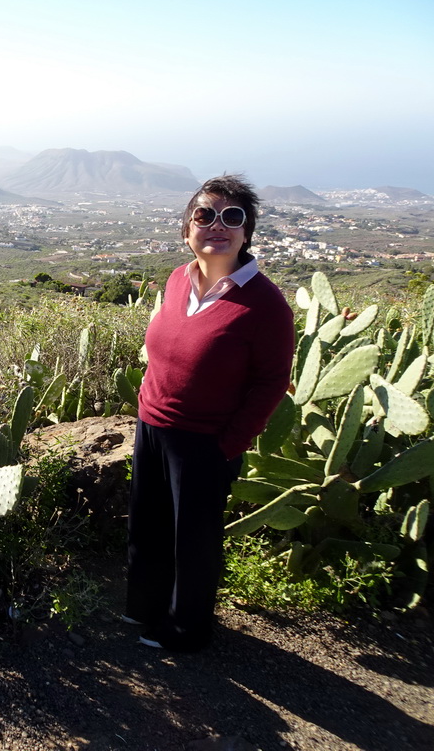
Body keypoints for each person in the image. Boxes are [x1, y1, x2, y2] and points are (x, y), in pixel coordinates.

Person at [124, 174, 294, 652]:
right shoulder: (178, 279)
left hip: (204, 441)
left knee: (192, 542)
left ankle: (185, 630)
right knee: (147, 525)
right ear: (187, 229)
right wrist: (147, 401)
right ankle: (144, 609)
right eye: (204, 215)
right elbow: (162, 345)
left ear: (246, 232)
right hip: (152, 424)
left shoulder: (265, 304)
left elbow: (270, 383)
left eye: (232, 217)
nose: (217, 225)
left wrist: (226, 446)